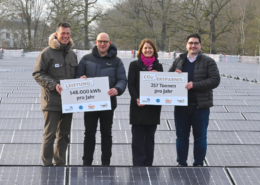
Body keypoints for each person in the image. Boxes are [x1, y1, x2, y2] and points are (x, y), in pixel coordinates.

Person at [75, 32, 127, 166]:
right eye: (100, 41)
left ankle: (106, 162)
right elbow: (77, 77)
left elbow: (122, 79)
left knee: (106, 133)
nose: (103, 44)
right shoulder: (86, 59)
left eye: (105, 41)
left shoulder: (117, 61)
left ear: (109, 43)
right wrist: (80, 80)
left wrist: (118, 89)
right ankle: (87, 162)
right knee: (89, 132)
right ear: (96, 42)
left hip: (108, 103)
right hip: (90, 103)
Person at [168, 33, 220, 166]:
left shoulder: (208, 62)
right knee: (181, 138)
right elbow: (167, 78)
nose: (193, 45)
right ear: (186, 45)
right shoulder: (179, 61)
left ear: (200, 45)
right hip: (181, 107)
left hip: (200, 107)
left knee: (200, 138)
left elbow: (215, 80)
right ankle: (181, 163)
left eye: (196, 43)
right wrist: (174, 75)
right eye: (190, 43)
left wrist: (194, 85)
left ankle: (198, 164)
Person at [32, 22, 78, 166]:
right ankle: (47, 164)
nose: (65, 36)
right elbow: (37, 74)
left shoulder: (72, 55)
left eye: (68, 33)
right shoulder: (47, 53)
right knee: (50, 135)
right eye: (63, 33)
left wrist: (81, 80)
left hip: (69, 102)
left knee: (64, 135)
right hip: (52, 101)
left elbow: (75, 76)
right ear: (56, 34)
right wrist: (54, 85)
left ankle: (60, 163)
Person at [128, 39, 163, 166]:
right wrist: (136, 98)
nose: (148, 50)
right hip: (138, 106)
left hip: (153, 108)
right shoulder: (134, 65)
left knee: (149, 138)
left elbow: (162, 86)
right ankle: (137, 165)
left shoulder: (158, 66)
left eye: (150, 48)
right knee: (137, 138)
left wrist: (158, 75)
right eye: (145, 48)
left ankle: (148, 164)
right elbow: (131, 84)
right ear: (141, 50)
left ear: (154, 50)